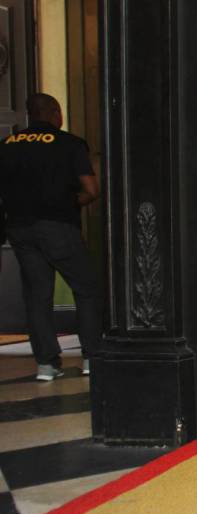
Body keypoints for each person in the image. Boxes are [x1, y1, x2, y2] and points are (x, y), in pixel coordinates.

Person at [0, 94, 101, 381]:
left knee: (36, 295)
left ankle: (46, 364)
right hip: (59, 226)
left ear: (31, 115)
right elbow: (91, 189)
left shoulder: (7, 146)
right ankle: (92, 357)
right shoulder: (69, 143)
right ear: (55, 113)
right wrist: (72, 202)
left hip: (20, 229)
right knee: (87, 287)